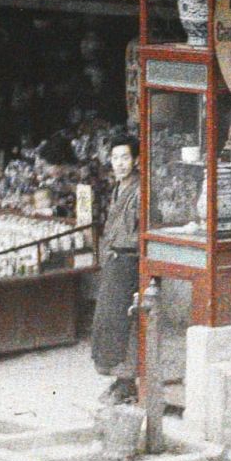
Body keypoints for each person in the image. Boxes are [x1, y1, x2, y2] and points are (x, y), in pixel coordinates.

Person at [90, 134, 142, 402]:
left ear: (136, 160)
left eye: (125, 158)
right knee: (108, 321)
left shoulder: (140, 190)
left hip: (130, 262)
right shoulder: (118, 188)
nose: (120, 163)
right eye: (115, 158)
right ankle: (118, 378)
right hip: (115, 260)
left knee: (125, 323)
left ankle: (127, 381)